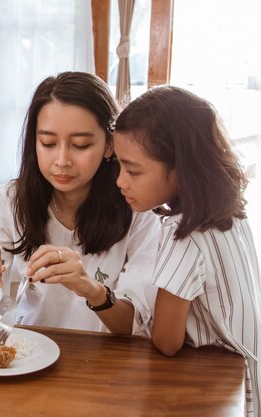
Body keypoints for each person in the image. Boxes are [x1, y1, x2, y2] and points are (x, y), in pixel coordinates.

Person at [0, 72, 159, 335]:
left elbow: (139, 326)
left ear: (109, 145)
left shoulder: (136, 208)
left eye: (80, 145)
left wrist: (91, 289)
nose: (61, 160)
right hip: (29, 353)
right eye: (47, 143)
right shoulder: (12, 201)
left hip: (107, 364)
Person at [113, 85, 261, 414]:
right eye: (119, 168)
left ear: (181, 167)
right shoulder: (231, 215)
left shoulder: (185, 237)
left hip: (220, 389)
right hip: (246, 374)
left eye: (133, 171)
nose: (121, 181)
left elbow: (167, 342)